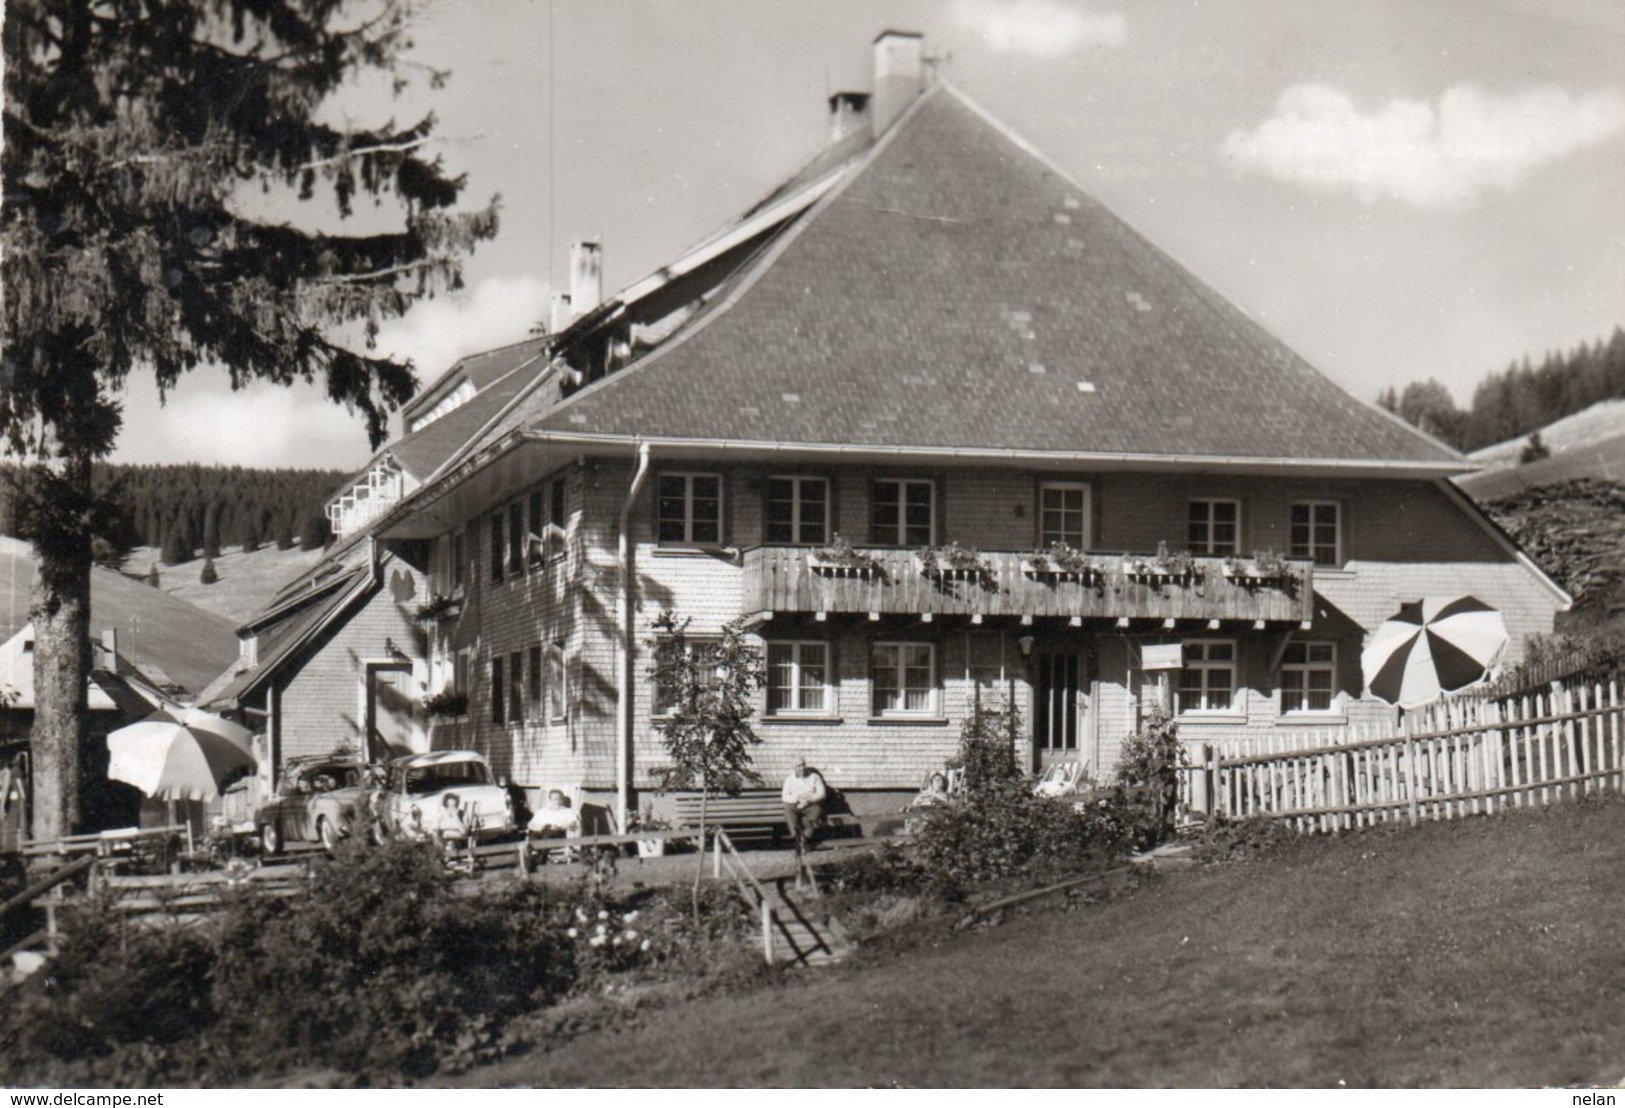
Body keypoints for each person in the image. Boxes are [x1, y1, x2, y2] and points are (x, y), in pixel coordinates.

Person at [781, 757, 826, 849]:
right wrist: (797, 799)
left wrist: (809, 800)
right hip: (795, 804)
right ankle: (796, 837)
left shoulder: (814, 777)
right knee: (788, 811)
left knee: (814, 817)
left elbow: (822, 794)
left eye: (803, 765)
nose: (802, 768)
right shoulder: (789, 780)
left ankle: (804, 839)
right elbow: (785, 797)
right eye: (799, 766)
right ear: (794, 768)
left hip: (811, 804)